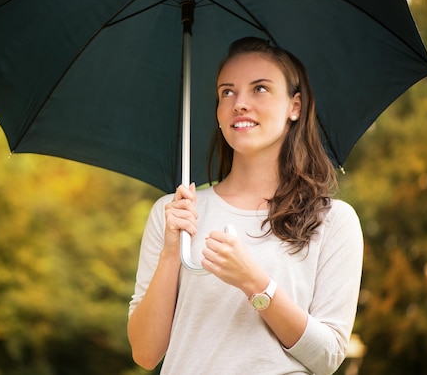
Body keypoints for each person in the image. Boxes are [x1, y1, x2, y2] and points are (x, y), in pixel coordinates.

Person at [127, 37, 363, 375]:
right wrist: (169, 252)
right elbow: (145, 353)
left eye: (260, 89)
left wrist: (255, 283)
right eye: (227, 92)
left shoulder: (334, 221)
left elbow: (327, 357)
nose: (240, 103)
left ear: (294, 106)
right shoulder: (176, 213)